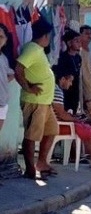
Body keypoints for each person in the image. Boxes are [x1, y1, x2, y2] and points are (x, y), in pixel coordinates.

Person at [15, 18, 59, 179]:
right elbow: (18, 69)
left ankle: (41, 162)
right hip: (35, 101)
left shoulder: (38, 50)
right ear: (45, 35)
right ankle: (30, 170)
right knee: (31, 136)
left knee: (52, 131)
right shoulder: (32, 49)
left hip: (45, 102)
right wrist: (28, 88)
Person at [52, 66, 91, 175]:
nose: (70, 85)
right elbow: (62, 114)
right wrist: (76, 119)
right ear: (62, 79)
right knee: (89, 131)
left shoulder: (55, 90)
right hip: (60, 126)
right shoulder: (57, 92)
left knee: (90, 130)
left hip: (60, 123)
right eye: (70, 81)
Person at [56, 29, 82, 115]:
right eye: (76, 41)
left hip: (75, 93)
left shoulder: (78, 58)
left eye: (79, 41)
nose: (79, 43)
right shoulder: (63, 58)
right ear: (69, 43)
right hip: (65, 94)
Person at [79, 24, 91, 125]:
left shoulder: (88, 51)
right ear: (80, 35)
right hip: (85, 96)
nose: (89, 36)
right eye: (86, 33)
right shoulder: (80, 52)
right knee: (90, 122)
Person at [0, 23, 15, 132]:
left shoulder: (5, 59)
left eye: (1, 37)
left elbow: (11, 74)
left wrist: (4, 81)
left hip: (2, 102)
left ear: (6, 40)